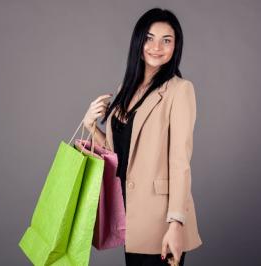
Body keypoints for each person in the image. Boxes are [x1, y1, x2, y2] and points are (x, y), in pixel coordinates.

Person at [82, 8, 202, 266]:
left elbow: (180, 162)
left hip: (161, 221)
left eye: (166, 40)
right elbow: (118, 155)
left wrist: (176, 224)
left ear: (176, 46)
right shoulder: (126, 90)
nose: (156, 47)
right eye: (149, 38)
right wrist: (91, 125)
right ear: (139, 41)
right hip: (131, 215)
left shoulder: (180, 90)